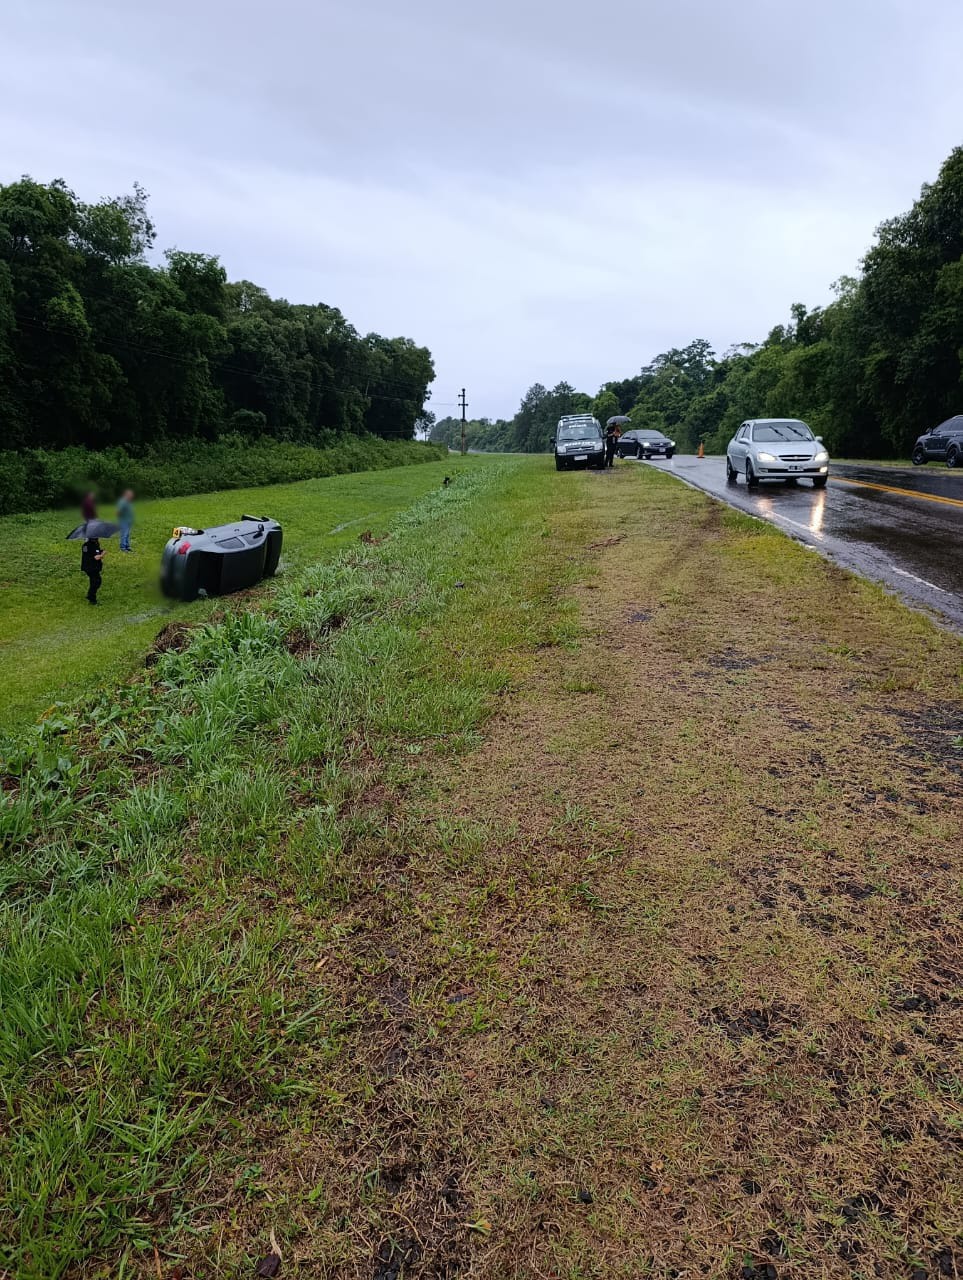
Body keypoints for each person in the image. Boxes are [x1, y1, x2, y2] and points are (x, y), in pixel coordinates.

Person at [81, 537, 104, 605]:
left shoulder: (85, 545)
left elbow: (90, 553)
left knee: (93, 581)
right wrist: (102, 554)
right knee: (96, 582)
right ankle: (92, 599)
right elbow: (96, 557)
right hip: (92, 567)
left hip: (87, 567)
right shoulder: (93, 545)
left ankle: (90, 594)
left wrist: (100, 551)